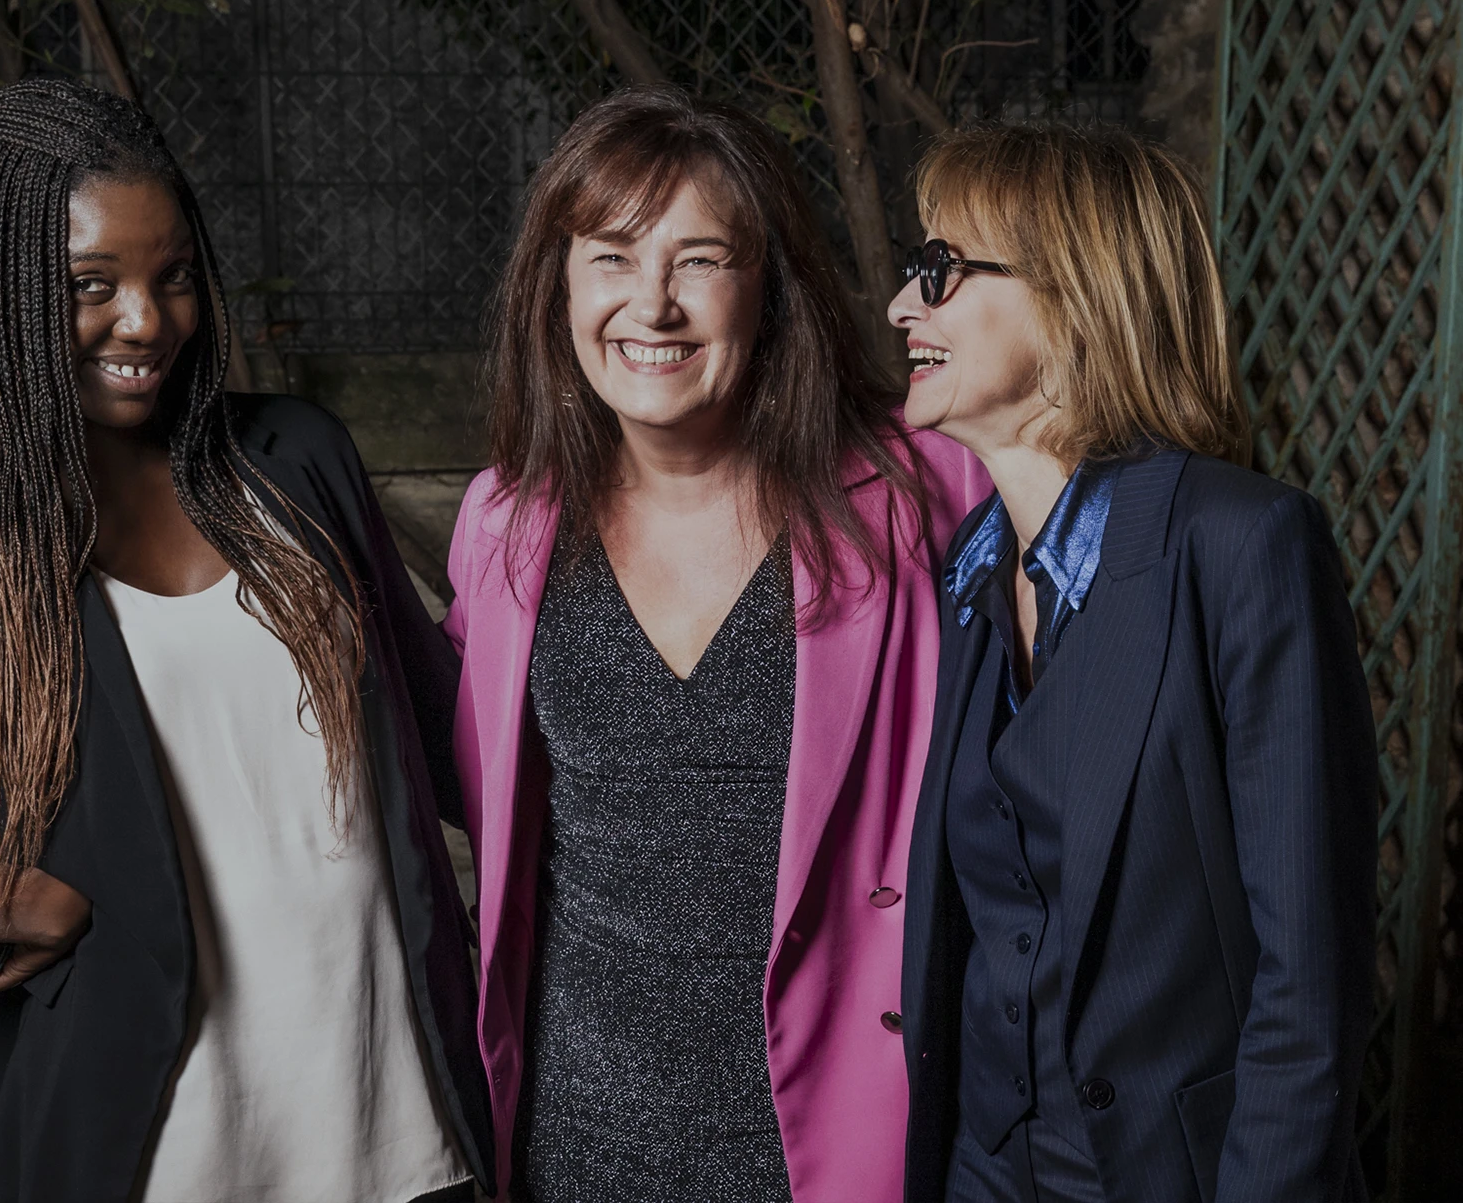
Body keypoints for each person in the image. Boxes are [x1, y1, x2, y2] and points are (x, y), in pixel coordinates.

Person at [0, 79, 490, 1203]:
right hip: (156, 1160)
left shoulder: (296, 460)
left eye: (175, 277)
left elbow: (462, 741)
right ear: (0, 295)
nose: (146, 321)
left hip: (409, 1141)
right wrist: (7, 900)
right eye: (89, 286)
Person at [442, 85, 989, 1203]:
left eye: (699, 260)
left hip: (835, 1145)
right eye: (610, 257)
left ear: (768, 288)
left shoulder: (926, 487)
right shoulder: (505, 520)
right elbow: (462, 782)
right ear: (559, 286)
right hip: (573, 1145)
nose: (653, 305)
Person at [892, 124, 1375, 1203]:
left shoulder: (1243, 544)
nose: (900, 306)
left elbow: (1312, 986)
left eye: (940, 269)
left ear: (1072, 296)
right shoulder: (966, 573)